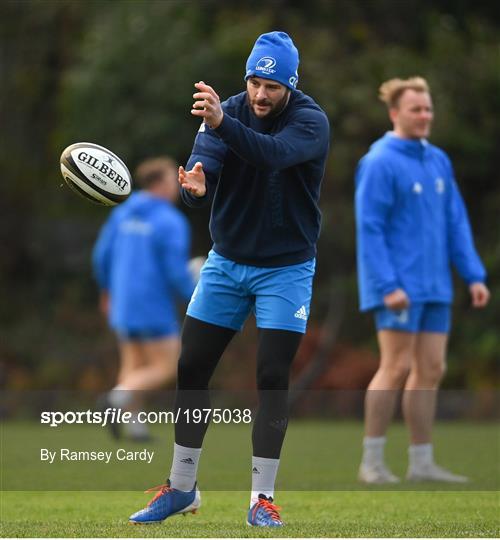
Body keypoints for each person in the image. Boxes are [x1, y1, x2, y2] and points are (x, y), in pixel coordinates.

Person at [128, 31, 330, 526]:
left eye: (273, 87)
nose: (261, 95)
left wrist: (222, 122)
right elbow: (204, 176)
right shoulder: (226, 110)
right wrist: (197, 190)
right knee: (192, 366)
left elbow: (271, 154)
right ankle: (181, 488)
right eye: (255, 82)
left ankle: (262, 499)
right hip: (227, 261)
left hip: (286, 267)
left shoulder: (310, 121)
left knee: (271, 376)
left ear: (291, 85)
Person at [355, 77, 490, 484]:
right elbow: (370, 228)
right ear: (395, 113)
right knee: (395, 366)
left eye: (428, 108)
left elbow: (456, 222)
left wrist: (473, 274)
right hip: (397, 287)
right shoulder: (379, 161)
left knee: (431, 368)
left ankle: (421, 462)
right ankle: (372, 463)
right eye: (416, 109)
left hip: (435, 286)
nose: (424, 116)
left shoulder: (438, 161)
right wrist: (387, 285)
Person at [93, 157, 196, 441]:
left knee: (134, 366)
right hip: (153, 304)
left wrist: (106, 290)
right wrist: (195, 296)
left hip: (122, 301)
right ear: (161, 184)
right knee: (168, 366)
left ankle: (136, 428)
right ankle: (115, 401)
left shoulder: (123, 212)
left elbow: (102, 255)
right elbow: (176, 271)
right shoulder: (171, 221)